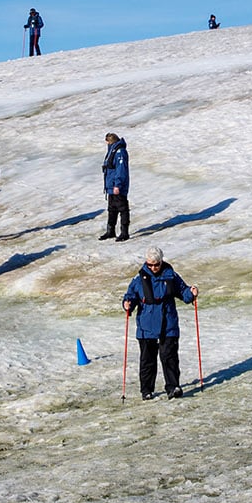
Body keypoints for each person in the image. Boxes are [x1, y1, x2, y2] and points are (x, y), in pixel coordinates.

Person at [123, 246, 197, 400]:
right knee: (147, 360)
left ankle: (173, 387)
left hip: (168, 324)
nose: (153, 268)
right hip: (146, 325)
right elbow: (130, 296)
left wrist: (191, 293)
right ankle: (146, 390)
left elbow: (183, 291)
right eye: (150, 265)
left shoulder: (171, 276)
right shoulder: (138, 280)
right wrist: (127, 304)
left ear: (161, 262)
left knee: (169, 357)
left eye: (156, 264)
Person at [100, 132, 130, 241]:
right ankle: (110, 231)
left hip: (117, 186)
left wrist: (118, 184)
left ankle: (124, 232)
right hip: (111, 185)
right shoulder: (111, 150)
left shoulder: (120, 152)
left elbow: (121, 170)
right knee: (112, 209)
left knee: (122, 208)